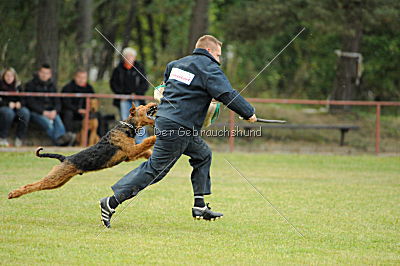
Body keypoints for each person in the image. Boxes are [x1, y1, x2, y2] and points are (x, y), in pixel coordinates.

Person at [99, 35, 257, 228]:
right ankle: (111, 202)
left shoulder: (176, 65)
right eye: (218, 54)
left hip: (168, 121)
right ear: (208, 51)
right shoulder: (208, 68)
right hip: (179, 126)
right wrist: (249, 113)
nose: (219, 59)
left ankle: (199, 205)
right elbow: (227, 94)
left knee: (203, 154)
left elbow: (169, 88)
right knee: (156, 170)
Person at [25, 64, 75, 146]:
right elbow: (30, 102)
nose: (44, 75)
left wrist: (55, 111)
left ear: (50, 75)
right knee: (48, 125)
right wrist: (43, 112)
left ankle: (61, 141)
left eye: (47, 73)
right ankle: (62, 143)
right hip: (36, 112)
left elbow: (57, 102)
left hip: (51, 112)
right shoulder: (30, 85)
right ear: (39, 73)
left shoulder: (52, 87)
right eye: (43, 72)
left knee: (59, 124)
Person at [110, 47, 149, 143]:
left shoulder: (139, 68)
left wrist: (137, 93)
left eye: (131, 56)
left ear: (134, 58)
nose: (129, 58)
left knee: (140, 120)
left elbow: (145, 84)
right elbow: (113, 84)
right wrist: (121, 94)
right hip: (123, 100)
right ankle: (127, 141)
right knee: (126, 120)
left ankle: (142, 141)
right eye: (127, 56)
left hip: (137, 100)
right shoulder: (118, 69)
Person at [0, 68, 30, 147]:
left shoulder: (18, 86)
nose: (9, 77)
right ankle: (3, 137)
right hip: (4, 107)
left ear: (14, 77)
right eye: (7, 75)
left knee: (25, 113)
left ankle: (19, 138)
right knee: (8, 113)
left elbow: (24, 99)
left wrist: (20, 103)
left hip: (17, 109)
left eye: (11, 76)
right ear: (3, 76)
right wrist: (7, 104)